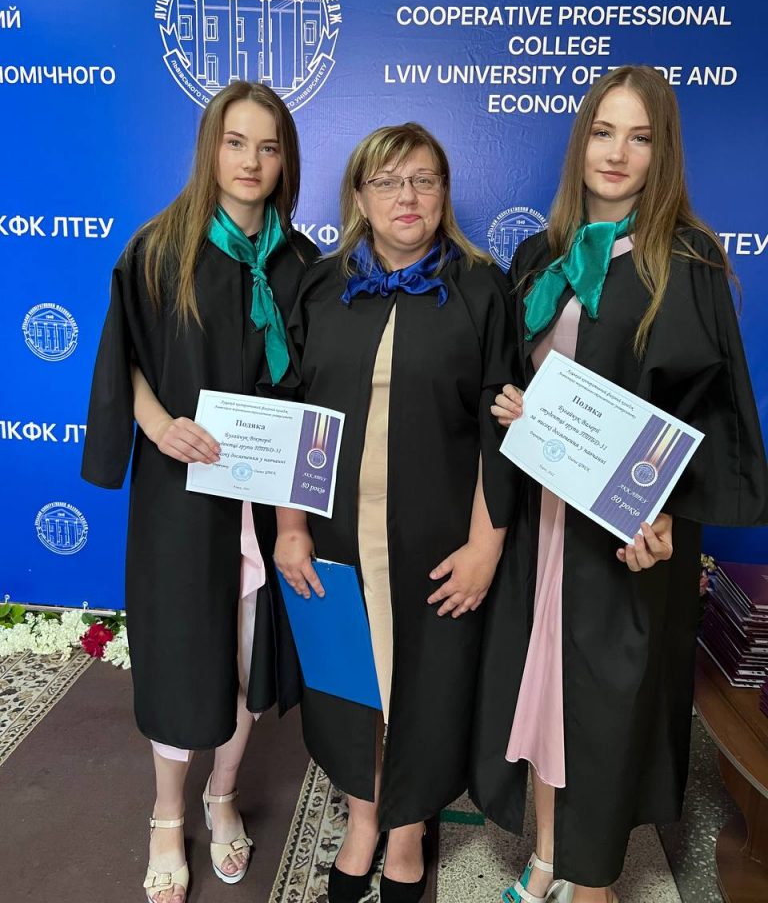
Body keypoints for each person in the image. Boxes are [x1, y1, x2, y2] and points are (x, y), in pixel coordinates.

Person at [469, 65, 768, 903]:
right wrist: (511, 403)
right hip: (542, 517)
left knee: (604, 704)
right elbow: (514, 380)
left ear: (661, 151)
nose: (617, 152)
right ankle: (547, 854)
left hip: (630, 527)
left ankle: (593, 879)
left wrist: (665, 514)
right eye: (604, 131)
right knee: (539, 689)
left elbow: (714, 411)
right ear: (582, 141)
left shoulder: (688, 262)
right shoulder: (540, 256)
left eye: (640, 137)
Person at [81, 81, 319, 903]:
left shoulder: (302, 265)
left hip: (266, 504)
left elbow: (316, 388)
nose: (251, 161)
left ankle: (223, 798)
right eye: (235, 142)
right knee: (183, 655)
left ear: (286, 160)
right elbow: (122, 359)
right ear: (210, 148)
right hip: (183, 495)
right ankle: (165, 813)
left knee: (247, 660)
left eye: (269, 146)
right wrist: (156, 425)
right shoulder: (159, 250)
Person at [275, 122, 516, 902]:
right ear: (358, 196)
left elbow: (501, 429)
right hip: (337, 531)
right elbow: (296, 414)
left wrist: (485, 547)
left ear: (444, 193)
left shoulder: (483, 289)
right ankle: (364, 818)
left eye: (423, 180)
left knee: (429, 684)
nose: (406, 196)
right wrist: (290, 527)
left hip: (438, 538)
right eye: (386, 181)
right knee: (351, 679)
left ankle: (409, 830)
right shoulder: (318, 287)